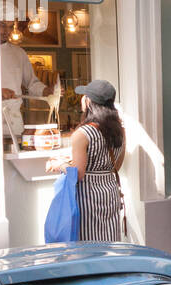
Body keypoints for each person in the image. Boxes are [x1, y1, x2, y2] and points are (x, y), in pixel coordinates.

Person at [46, 79, 126, 241]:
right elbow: (116, 165)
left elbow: (79, 173)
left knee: (89, 246)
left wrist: (58, 164)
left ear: (89, 102)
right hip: (109, 191)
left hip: (88, 196)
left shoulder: (83, 133)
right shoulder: (119, 129)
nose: (82, 99)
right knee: (108, 242)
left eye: (84, 96)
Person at [0, 18, 50, 142]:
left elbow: (32, 82)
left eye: (11, 27)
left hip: (14, 120)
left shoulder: (18, 52)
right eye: (2, 25)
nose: (7, 31)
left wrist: (46, 91)